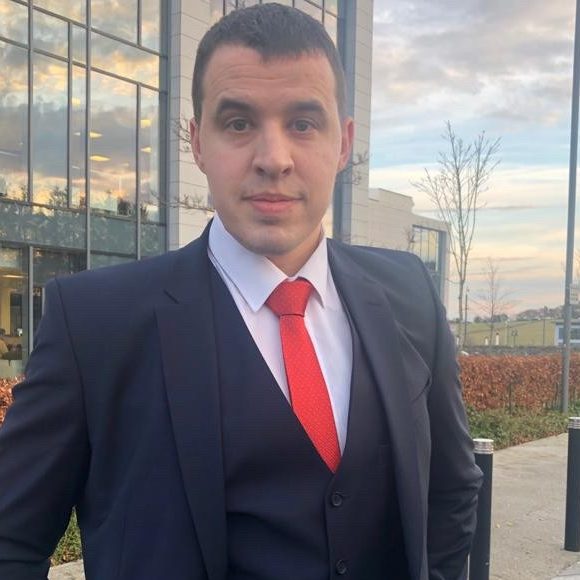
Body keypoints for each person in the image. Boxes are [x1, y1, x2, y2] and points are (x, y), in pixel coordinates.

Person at [0, 4, 482, 580]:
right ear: (197, 142)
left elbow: (452, 491)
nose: (273, 159)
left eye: (304, 123)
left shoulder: (408, 293)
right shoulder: (95, 324)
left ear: (344, 142)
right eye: (238, 123)